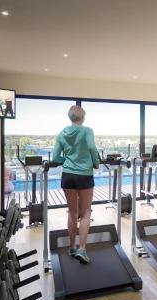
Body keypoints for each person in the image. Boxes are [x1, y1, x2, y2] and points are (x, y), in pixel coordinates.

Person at [52, 105, 100, 263]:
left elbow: (55, 157)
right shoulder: (87, 130)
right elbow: (92, 147)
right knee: (86, 212)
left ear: (70, 117)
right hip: (84, 175)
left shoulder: (62, 133)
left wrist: (67, 161)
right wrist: (96, 162)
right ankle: (82, 249)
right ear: (83, 117)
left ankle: (72, 246)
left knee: (72, 213)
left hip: (67, 175)